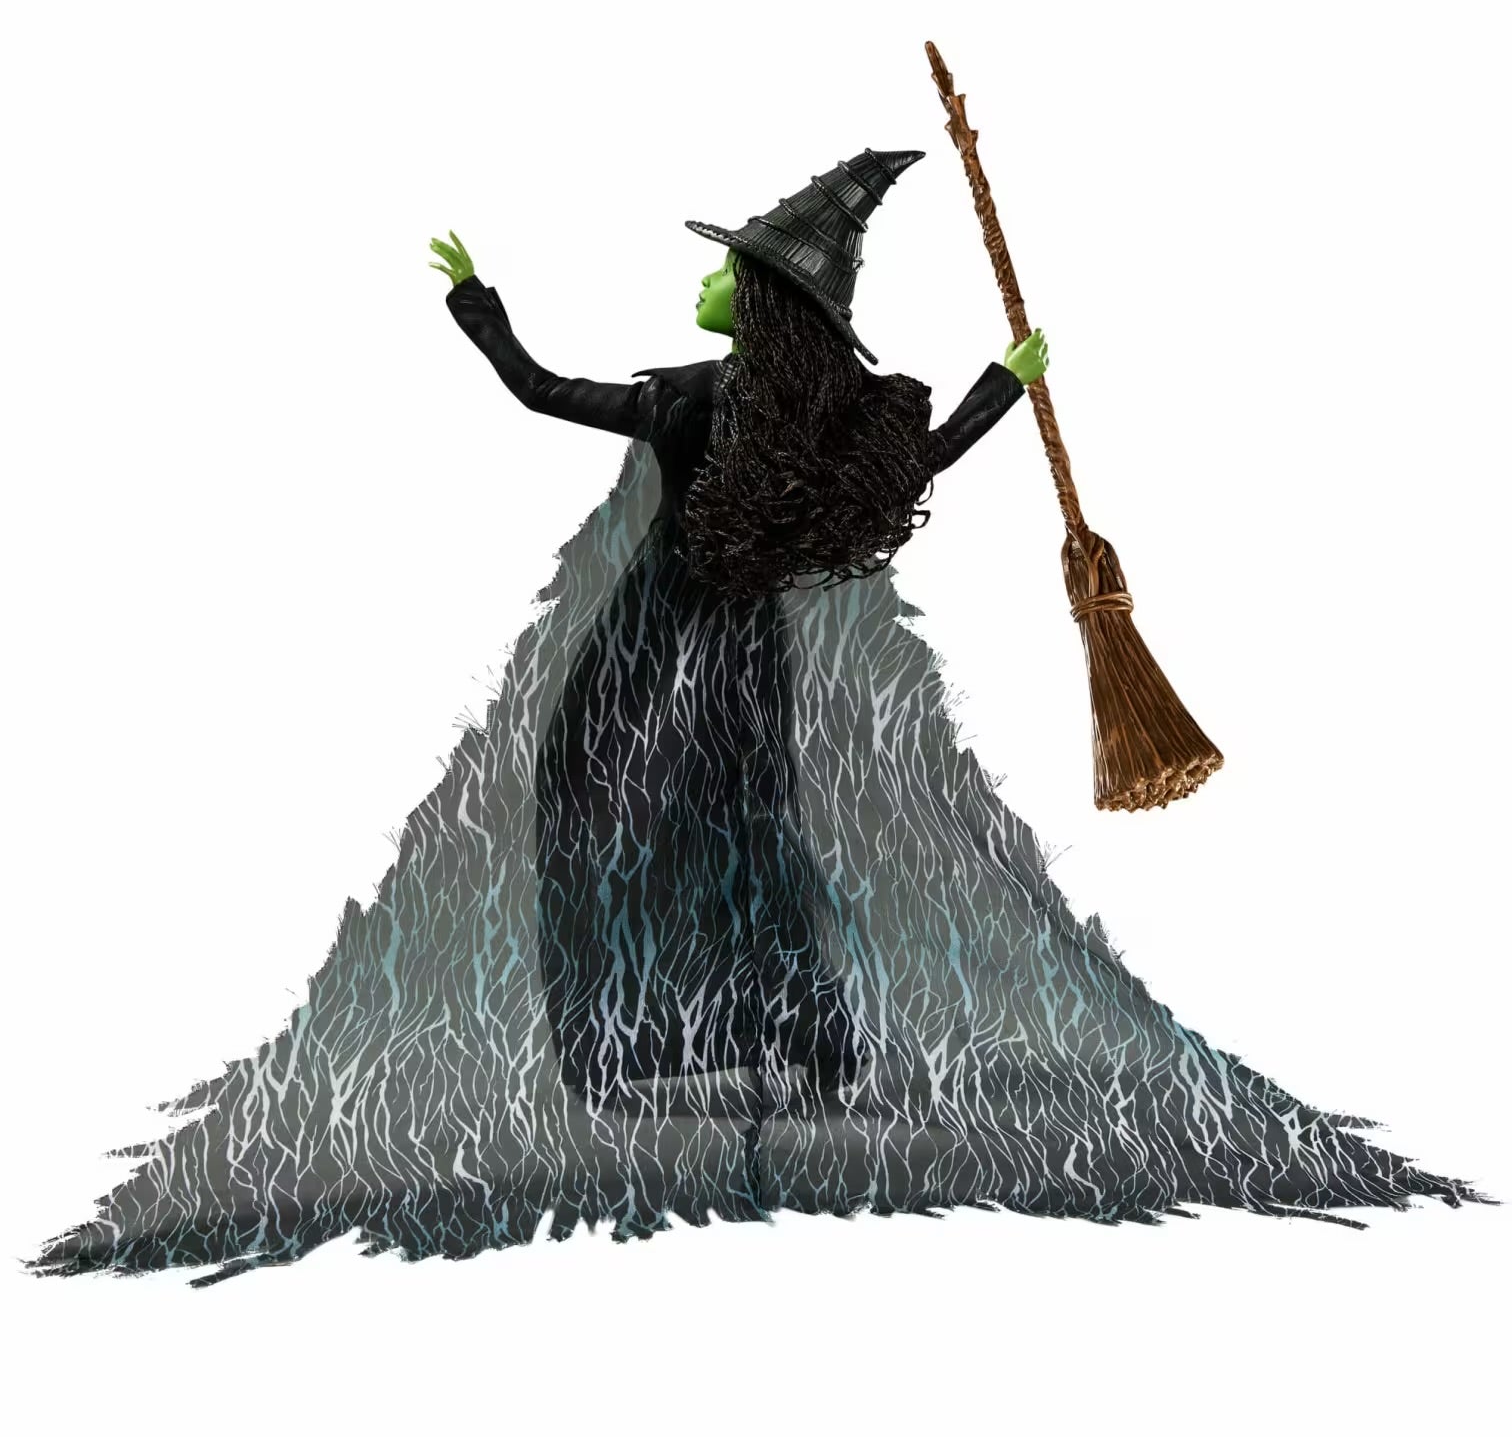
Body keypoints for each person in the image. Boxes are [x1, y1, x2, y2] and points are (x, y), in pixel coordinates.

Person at [28, 150, 1485, 1287]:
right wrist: (1008, 382)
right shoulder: (816, 424)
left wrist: (478, 305)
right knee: (740, 830)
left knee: (610, 815)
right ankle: (789, 1055)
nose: (708, 281)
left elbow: (540, 391)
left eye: (727, 271)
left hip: (646, 652)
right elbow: (927, 454)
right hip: (742, 669)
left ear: (762, 305)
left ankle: (643, 1059)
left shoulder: (687, 399)